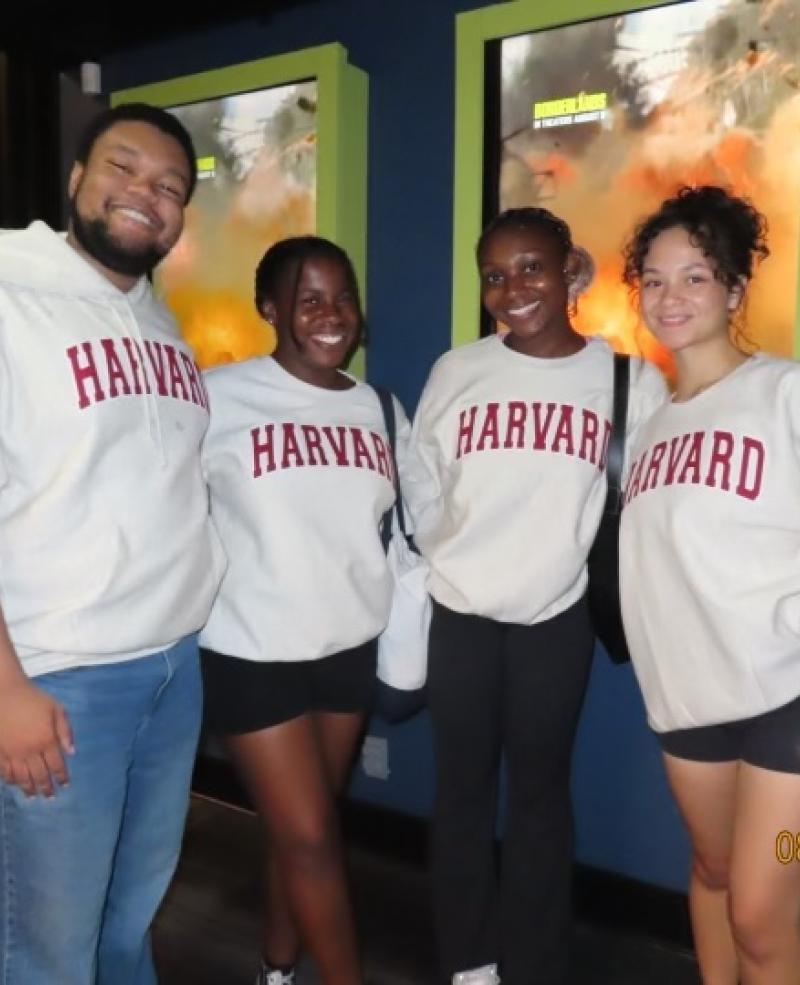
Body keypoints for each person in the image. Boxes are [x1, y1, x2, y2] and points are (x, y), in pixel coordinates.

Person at [403, 207, 666, 985]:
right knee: (461, 794)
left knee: (543, 799)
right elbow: (420, 470)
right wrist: (441, 543)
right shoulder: (460, 369)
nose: (512, 287)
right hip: (461, 615)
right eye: (495, 274)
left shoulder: (626, 378)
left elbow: (650, 499)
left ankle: (537, 962)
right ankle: (469, 962)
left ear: (570, 271)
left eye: (531, 267)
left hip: (556, 618)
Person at [0, 103, 225, 985]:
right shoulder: (11, 292)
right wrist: (7, 685)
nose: (146, 195)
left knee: (129, 923)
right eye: (123, 169)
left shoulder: (157, 319)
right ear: (74, 180)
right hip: (62, 681)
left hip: (172, 669)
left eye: (169, 187)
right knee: (50, 950)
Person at [200, 235, 409, 985]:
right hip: (251, 653)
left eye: (343, 298)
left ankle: (277, 968)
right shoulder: (218, 398)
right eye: (309, 298)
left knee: (301, 828)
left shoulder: (379, 409)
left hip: (347, 647)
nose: (332, 315)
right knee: (315, 835)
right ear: (269, 308)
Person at [620, 185, 800, 985]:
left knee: (764, 913)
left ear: (734, 288)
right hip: (687, 701)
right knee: (715, 870)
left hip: (787, 700)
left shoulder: (783, 392)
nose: (671, 296)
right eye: (654, 279)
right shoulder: (651, 423)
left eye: (695, 276)